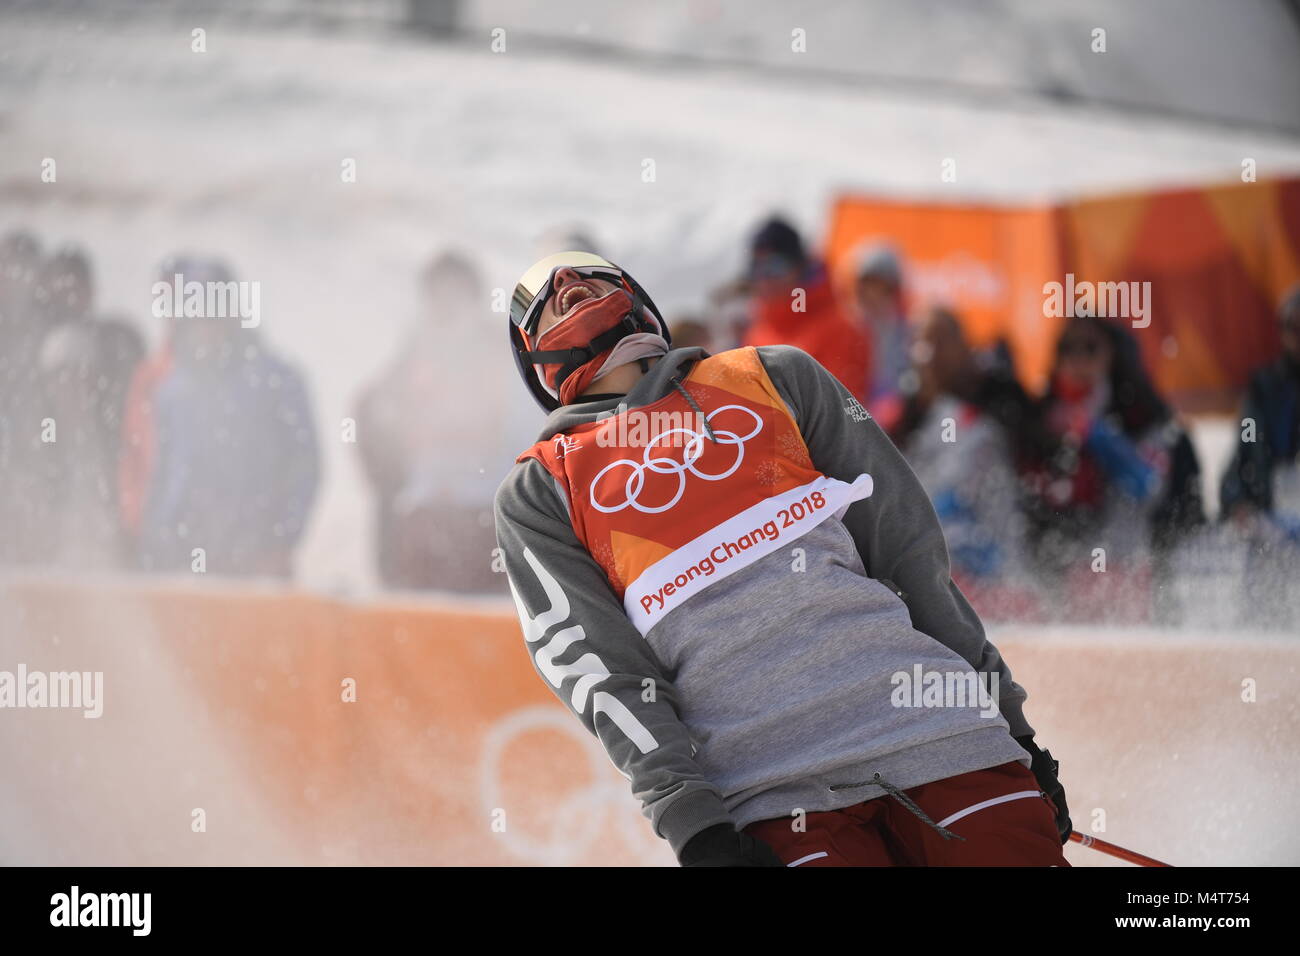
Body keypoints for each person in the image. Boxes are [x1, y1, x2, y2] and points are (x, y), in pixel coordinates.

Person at [494, 251, 1071, 867]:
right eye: (541, 299)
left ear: (638, 301)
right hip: (771, 792)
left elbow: (910, 558)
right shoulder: (542, 490)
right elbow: (607, 677)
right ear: (537, 362)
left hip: (940, 734)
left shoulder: (774, 374)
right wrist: (698, 831)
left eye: (592, 274)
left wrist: (1013, 723)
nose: (567, 283)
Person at [137, 267, 320, 579]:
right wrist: (158, 537)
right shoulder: (171, 390)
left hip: (259, 554)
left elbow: (305, 463)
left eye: (214, 314)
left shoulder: (276, 380)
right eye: (196, 316)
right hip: (185, 557)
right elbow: (163, 473)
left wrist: (282, 538)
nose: (206, 327)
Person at [1019, 313, 1204, 619]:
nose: (1078, 359)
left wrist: (1099, 436)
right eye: (1068, 348)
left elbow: (1150, 488)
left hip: (1125, 567)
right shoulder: (1039, 419)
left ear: (1113, 356)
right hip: (1057, 574)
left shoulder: (1143, 417)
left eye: (1090, 348)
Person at [890, 307, 1031, 613]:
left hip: (991, 555)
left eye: (940, 340)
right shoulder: (907, 411)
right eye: (922, 341)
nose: (929, 353)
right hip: (937, 556)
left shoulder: (999, 395)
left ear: (963, 344)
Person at [740, 217, 872, 406]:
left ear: (800, 267)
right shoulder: (759, 327)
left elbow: (839, 411)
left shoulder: (839, 327)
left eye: (775, 266)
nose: (765, 278)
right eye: (755, 267)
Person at [851, 241, 913, 431]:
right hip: (854, 412)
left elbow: (905, 376)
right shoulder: (848, 327)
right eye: (867, 284)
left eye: (880, 285)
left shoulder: (905, 328)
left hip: (896, 418)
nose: (872, 292)